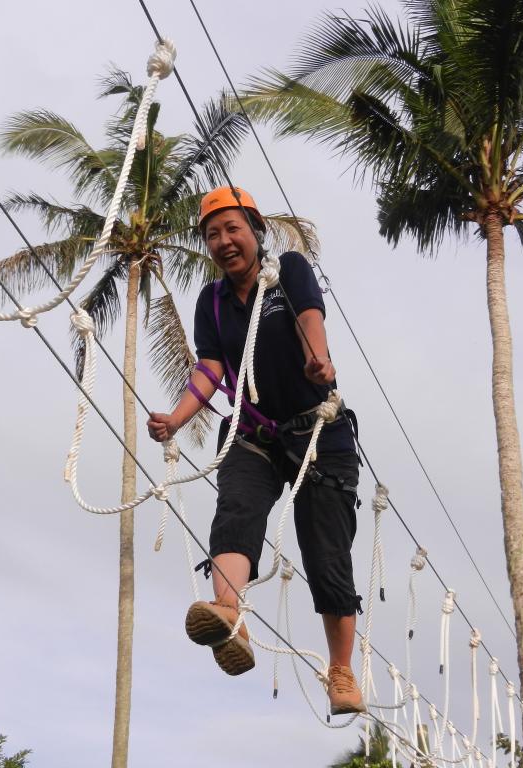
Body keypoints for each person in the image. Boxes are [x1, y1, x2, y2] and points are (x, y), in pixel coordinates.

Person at [147, 186, 365, 715]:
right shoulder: (213, 302)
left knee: (327, 559)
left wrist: (319, 360)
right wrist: (176, 419)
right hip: (255, 432)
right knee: (237, 510)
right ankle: (228, 614)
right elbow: (211, 368)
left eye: (232, 230)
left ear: (255, 231)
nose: (223, 242)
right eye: (212, 235)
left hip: (318, 433)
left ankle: (341, 671)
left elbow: (309, 316)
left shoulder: (287, 270)